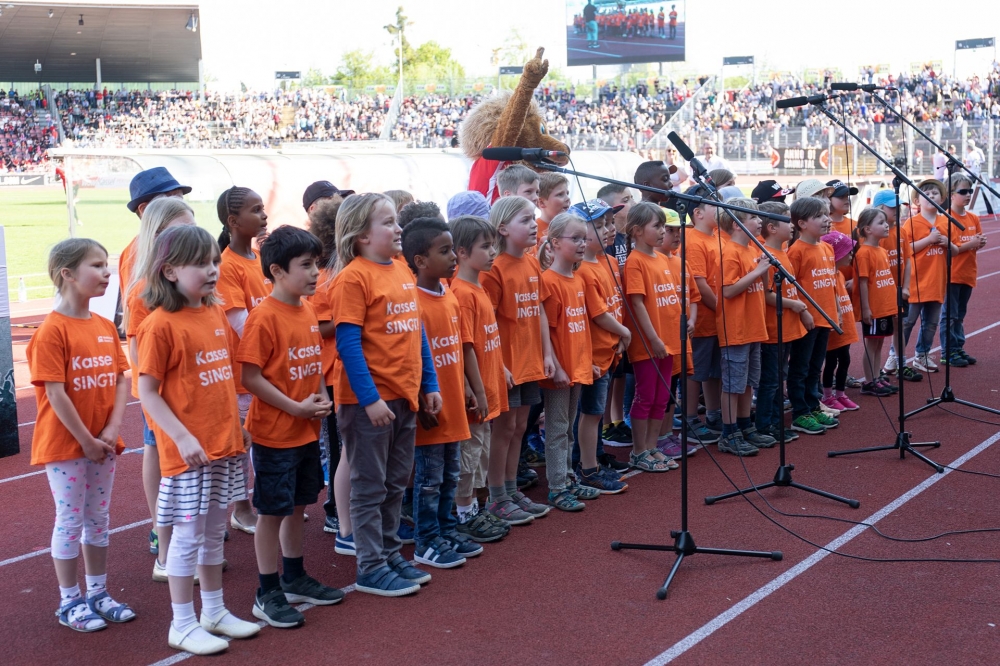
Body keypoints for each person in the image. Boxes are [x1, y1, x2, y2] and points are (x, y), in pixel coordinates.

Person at [137, 225, 259, 655]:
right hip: (190, 454)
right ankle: (182, 623)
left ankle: (214, 611)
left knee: (212, 534)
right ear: (169, 271)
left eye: (214, 262)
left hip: (223, 445)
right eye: (200, 264)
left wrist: (237, 426)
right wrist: (181, 437)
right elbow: (147, 391)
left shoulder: (213, 314)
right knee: (187, 538)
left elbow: (223, 380)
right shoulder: (159, 325)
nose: (212, 270)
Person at [329, 193, 442, 597]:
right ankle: (370, 565)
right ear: (362, 236)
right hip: (370, 402)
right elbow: (348, 344)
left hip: (404, 395)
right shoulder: (353, 278)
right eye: (389, 223)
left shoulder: (401, 270)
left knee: (395, 482)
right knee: (370, 486)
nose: (399, 229)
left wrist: (429, 383)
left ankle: (390, 553)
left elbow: (417, 333)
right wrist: (370, 398)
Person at [236, 226, 343, 627]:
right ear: (278, 271)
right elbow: (251, 377)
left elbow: (313, 363)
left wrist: (320, 397)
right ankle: (267, 590)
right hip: (275, 435)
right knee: (272, 512)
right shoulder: (264, 317)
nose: (315, 273)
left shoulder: (308, 310)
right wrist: (295, 408)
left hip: (305, 431)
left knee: (298, 506)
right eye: (306, 265)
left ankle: (294, 576)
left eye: (316, 264)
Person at [28, 238, 135, 633]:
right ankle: (69, 600)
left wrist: (111, 428)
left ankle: (98, 593)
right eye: (97, 265)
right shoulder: (52, 331)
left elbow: (121, 380)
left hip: (102, 443)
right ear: (68, 274)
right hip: (66, 446)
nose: (107, 273)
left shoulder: (105, 326)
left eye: (107, 265)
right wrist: (86, 440)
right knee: (71, 520)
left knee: (98, 518)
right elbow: (55, 393)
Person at [401, 218, 485, 566]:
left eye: (452, 249)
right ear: (420, 260)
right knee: (429, 479)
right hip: (432, 409)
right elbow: (412, 357)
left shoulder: (448, 295)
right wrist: (421, 399)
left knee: (450, 474)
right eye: (444, 251)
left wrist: (471, 388)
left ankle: (446, 529)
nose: (453, 257)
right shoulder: (412, 302)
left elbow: (461, 347)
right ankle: (426, 540)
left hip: (454, 403)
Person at [122, 197, 197, 582]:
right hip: (165, 396)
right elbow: (139, 355)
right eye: (179, 229)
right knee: (166, 461)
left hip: (193, 393)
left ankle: (184, 542)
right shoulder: (144, 290)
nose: (188, 235)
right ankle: (165, 543)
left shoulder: (186, 284)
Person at [449, 216, 512, 543]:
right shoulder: (461, 293)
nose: (492, 252)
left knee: (480, 451)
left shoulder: (478, 288)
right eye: (485, 246)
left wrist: (500, 369)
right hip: (476, 394)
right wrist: (476, 390)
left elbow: (487, 339)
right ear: (461, 252)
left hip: (488, 386)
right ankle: (464, 512)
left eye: (493, 245)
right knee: (468, 455)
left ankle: (474, 507)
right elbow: (465, 347)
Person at [216, 186, 270, 537]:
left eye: (263, 208)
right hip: (243, 372)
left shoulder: (260, 258)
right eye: (256, 209)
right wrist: (279, 341)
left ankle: (269, 503)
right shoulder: (226, 265)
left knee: (268, 439)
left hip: (269, 366)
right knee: (240, 445)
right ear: (233, 221)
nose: (264, 215)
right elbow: (241, 322)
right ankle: (241, 509)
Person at [538, 212, 599, 510]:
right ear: (554, 243)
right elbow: (546, 332)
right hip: (560, 371)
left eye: (583, 238)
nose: (582, 244)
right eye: (574, 238)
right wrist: (558, 367)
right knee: (557, 428)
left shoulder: (577, 279)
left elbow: (580, 327)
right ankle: (557, 486)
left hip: (578, 367)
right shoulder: (549, 282)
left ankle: (568, 478)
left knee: (569, 426)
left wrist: (588, 362)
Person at [571, 201, 632, 488]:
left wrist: (619, 335)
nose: (609, 229)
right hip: (594, 352)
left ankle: (593, 458)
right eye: (599, 225)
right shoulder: (583, 269)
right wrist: (624, 332)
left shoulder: (606, 260)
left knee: (594, 412)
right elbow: (598, 313)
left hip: (609, 348)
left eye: (609, 223)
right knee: (590, 412)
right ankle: (586, 467)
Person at [621, 202, 680, 472]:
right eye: (657, 226)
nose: (662, 231)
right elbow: (637, 303)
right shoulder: (635, 262)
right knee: (646, 396)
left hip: (669, 339)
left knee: (662, 397)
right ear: (636, 231)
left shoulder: (662, 258)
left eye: (663, 226)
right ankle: (638, 450)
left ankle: (652, 446)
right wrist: (653, 338)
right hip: (649, 342)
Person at [715, 198, 774, 455]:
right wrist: (758, 270)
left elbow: (763, 286)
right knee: (733, 384)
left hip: (753, 326)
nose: (760, 221)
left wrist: (764, 268)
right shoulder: (731, 252)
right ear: (737, 224)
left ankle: (744, 425)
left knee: (749, 381)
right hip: (736, 329)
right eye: (753, 217)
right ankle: (729, 434)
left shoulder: (752, 249)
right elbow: (728, 291)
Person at [305, 199, 345, 537]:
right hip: (332, 374)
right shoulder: (325, 278)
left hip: (352, 371)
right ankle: (334, 508)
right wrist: (351, 317)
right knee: (338, 447)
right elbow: (318, 328)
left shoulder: (348, 272)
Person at [786, 197, 841, 435]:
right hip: (807, 320)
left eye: (827, 214)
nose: (827, 219)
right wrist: (804, 312)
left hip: (826, 318)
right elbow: (791, 287)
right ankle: (800, 412)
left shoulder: (827, 248)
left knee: (815, 366)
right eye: (819, 216)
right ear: (801, 223)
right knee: (800, 367)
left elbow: (831, 283)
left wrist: (836, 310)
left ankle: (812, 404)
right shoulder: (796, 251)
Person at [756, 203, 807, 442]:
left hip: (786, 327)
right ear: (772, 228)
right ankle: (766, 424)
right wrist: (793, 305)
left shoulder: (784, 252)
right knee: (771, 381)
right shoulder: (767, 255)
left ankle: (775, 421)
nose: (793, 225)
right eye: (787, 220)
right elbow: (766, 295)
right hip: (773, 329)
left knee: (779, 378)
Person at [119, 167, 191, 335]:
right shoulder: (135, 255)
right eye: (171, 199)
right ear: (144, 210)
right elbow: (139, 317)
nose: (180, 205)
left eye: (180, 198)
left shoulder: (184, 244)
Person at [682, 186, 723, 444]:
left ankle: (713, 413)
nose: (721, 208)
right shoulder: (693, 240)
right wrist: (723, 310)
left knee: (715, 371)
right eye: (714, 204)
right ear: (697, 213)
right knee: (696, 371)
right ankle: (689, 420)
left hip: (719, 319)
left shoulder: (718, 237)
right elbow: (700, 283)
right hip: (705, 319)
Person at [901, 179, 949, 374]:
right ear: (917, 201)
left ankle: (922, 354)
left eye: (935, 193)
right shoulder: (911, 223)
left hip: (937, 281)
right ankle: (896, 355)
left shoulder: (945, 221)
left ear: (942, 198)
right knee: (907, 322)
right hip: (916, 281)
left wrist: (947, 243)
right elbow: (906, 249)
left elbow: (954, 250)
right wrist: (929, 240)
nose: (931, 197)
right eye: (926, 194)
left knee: (931, 323)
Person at [939, 172, 987, 366]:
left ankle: (958, 347)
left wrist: (980, 242)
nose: (968, 195)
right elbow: (950, 250)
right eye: (963, 191)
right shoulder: (945, 220)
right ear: (951, 195)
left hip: (968, 272)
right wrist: (971, 244)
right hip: (952, 274)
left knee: (959, 315)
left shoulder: (973, 218)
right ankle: (948, 351)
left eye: (970, 191)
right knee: (949, 315)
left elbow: (977, 240)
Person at [873, 189, 918, 382]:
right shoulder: (876, 234)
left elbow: (906, 260)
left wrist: (906, 286)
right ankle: (875, 372)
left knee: (900, 326)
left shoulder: (902, 231)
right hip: (882, 290)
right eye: (892, 207)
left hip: (899, 289)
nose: (897, 210)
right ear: (879, 208)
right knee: (879, 332)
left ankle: (901, 364)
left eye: (898, 206)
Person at [852, 208, 898, 397]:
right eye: (881, 222)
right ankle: (869, 382)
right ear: (867, 229)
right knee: (871, 344)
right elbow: (863, 282)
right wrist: (866, 309)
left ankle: (876, 377)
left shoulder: (882, 251)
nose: (886, 225)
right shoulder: (864, 253)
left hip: (885, 306)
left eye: (886, 222)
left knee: (879, 344)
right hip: (874, 308)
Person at [819, 231, 860, 412]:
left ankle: (840, 393)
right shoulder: (828, 275)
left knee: (845, 359)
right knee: (831, 361)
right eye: (847, 252)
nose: (851, 255)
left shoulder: (840, 275)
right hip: (835, 326)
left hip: (845, 325)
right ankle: (828, 395)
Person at [535, 172, 571, 248]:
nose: (568, 198)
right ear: (541, 202)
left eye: (567, 193)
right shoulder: (533, 230)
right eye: (560, 194)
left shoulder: (572, 227)